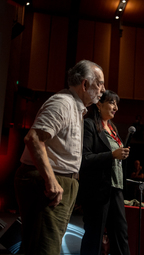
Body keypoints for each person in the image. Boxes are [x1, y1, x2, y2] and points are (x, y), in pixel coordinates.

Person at [14, 60, 105, 255]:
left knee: (40, 245)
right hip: (47, 185)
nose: (103, 90)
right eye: (100, 83)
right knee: (45, 248)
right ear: (85, 84)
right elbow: (34, 138)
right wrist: (51, 181)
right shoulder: (63, 103)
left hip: (59, 182)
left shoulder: (75, 106)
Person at [78, 90, 130, 255]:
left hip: (116, 189)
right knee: (95, 236)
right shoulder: (90, 124)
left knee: (121, 235)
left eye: (117, 104)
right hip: (97, 191)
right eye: (112, 103)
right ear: (99, 104)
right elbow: (85, 158)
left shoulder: (112, 128)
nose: (115, 107)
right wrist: (112, 155)